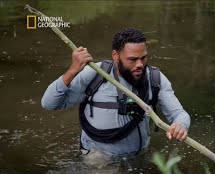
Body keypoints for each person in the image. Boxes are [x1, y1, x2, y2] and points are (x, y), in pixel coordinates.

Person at [41, 28, 190, 156]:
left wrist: (180, 125)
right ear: (115, 56)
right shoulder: (94, 74)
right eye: (132, 59)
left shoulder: (155, 78)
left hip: (140, 156)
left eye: (143, 58)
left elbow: (179, 114)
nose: (139, 64)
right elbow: (48, 103)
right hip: (98, 157)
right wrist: (72, 71)